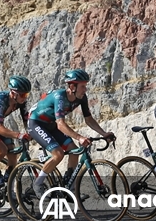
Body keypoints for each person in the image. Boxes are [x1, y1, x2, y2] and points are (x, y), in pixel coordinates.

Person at [26, 68, 116, 197]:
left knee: (74, 151)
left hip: (51, 125)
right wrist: (79, 137)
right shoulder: (60, 97)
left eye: (85, 86)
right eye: (82, 86)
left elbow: (89, 119)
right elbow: (61, 124)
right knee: (58, 154)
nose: (85, 89)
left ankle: (68, 187)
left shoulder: (81, 98)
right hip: (36, 123)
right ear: (72, 86)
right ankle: (38, 183)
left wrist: (104, 134)